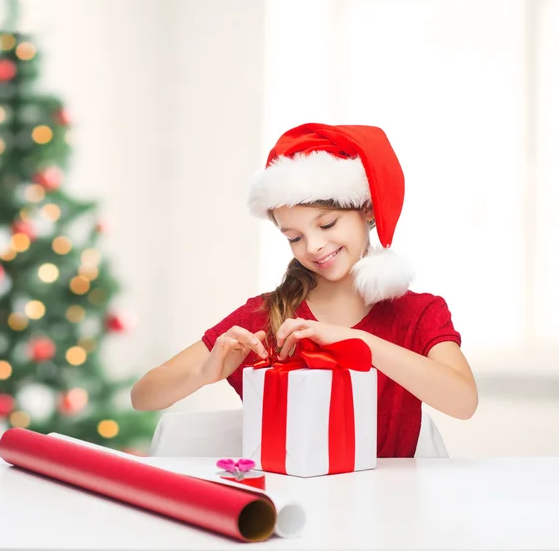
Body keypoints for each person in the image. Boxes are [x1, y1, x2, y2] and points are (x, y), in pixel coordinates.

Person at [131, 123, 478, 457]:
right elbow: (143, 396)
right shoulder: (268, 316)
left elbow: (463, 402)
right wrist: (203, 373)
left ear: (367, 210)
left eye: (327, 224)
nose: (312, 246)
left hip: (389, 506)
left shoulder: (418, 314)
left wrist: (358, 344)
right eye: (294, 237)